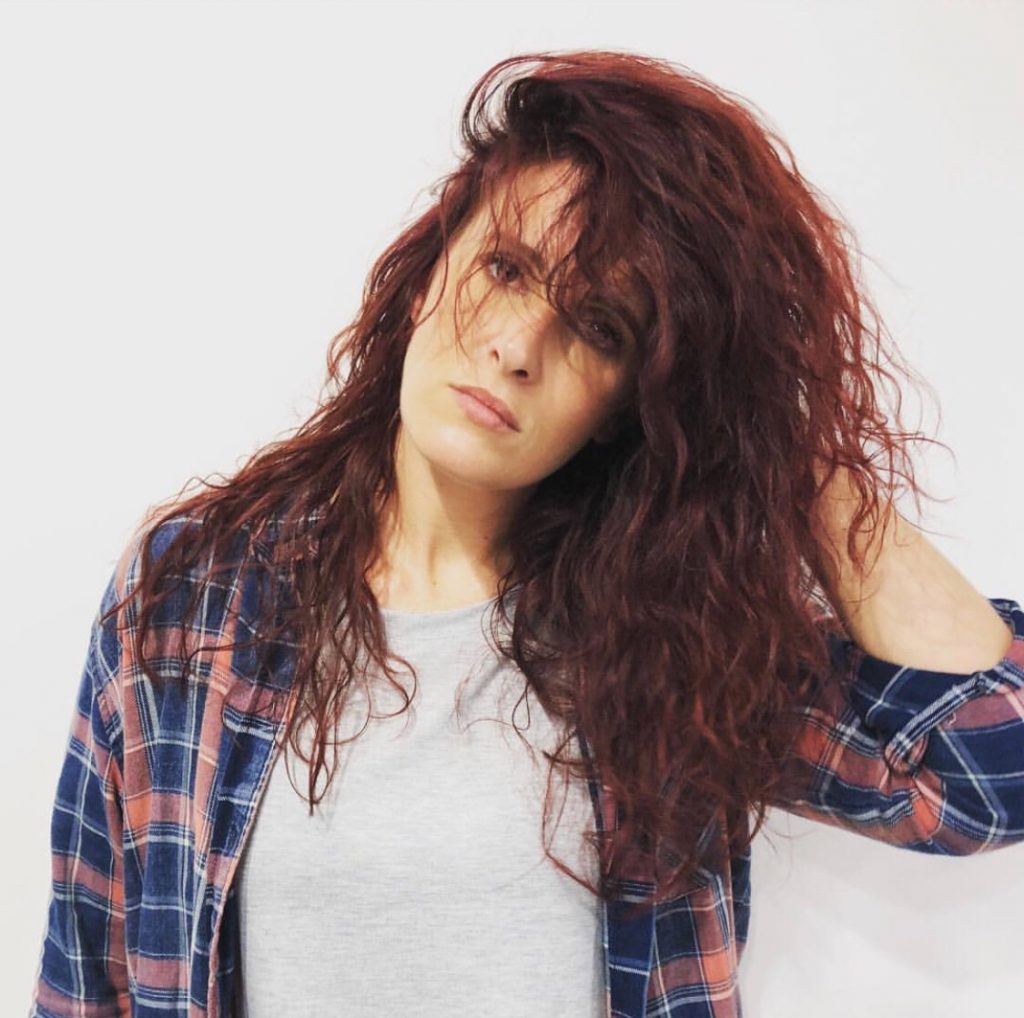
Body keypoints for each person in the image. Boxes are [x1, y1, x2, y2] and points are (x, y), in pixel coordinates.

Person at [29, 48, 1024, 1018]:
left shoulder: (670, 631)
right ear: (427, 270)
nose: (515, 347)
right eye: (504, 267)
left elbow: (990, 770)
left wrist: (776, 432)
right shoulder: (197, 588)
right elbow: (87, 972)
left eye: (599, 328)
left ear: (635, 402)